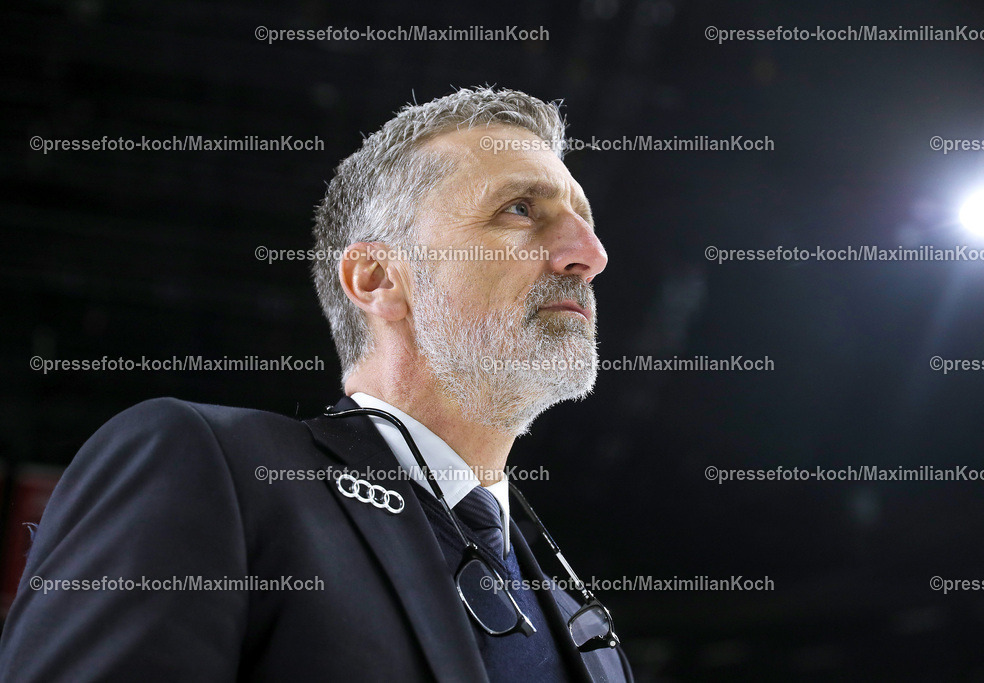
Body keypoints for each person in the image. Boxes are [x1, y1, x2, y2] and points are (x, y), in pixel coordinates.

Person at [0, 86, 631, 682]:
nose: (590, 252)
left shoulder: (575, 610)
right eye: (520, 209)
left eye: (584, 219)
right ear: (377, 279)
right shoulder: (210, 467)